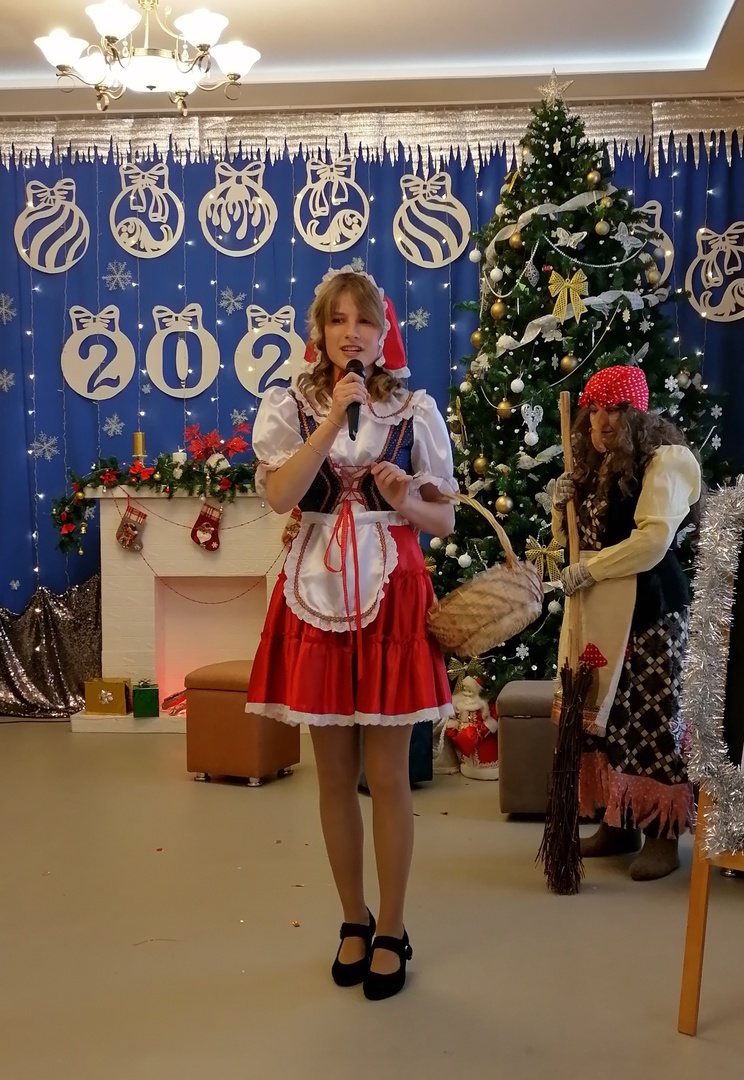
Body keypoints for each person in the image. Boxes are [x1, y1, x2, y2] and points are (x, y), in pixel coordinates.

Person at [246, 267, 457, 998]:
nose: (350, 333)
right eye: (336, 320)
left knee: (388, 775)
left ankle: (393, 926)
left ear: (382, 331)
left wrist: (406, 500)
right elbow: (281, 497)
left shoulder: (414, 411)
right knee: (333, 774)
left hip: (392, 592)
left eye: (363, 320)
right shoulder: (292, 405)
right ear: (320, 332)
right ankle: (352, 919)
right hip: (316, 591)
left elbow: (443, 520)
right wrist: (334, 420)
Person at [551, 365, 702, 881]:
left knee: (652, 717)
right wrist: (561, 507)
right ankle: (618, 822)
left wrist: (590, 569)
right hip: (601, 610)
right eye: (595, 408)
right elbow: (575, 541)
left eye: (615, 409)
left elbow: (652, 540)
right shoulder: (594, 466)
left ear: (638, 414)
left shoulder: (666, 461)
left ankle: (662, 833)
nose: (603, 419)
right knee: (607, 715)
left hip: (652, 611)